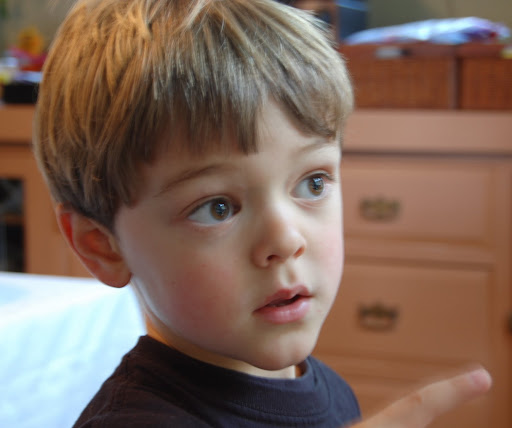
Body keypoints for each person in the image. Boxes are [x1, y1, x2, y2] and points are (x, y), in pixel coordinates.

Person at [33, 0, 491, 427]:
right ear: (103, 246)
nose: (286, 240)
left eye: (312, 183)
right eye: (217, 208)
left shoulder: (331, 390)